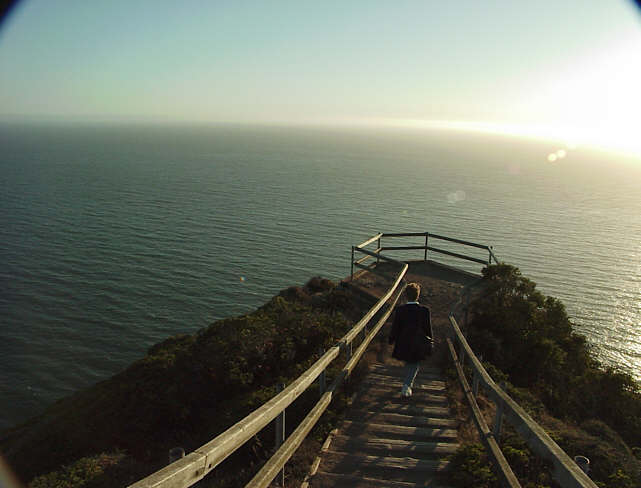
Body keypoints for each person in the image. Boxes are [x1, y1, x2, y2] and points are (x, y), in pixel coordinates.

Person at [388, 282, 433, 397]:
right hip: (418, 343)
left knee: (409, 362)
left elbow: (396, 327)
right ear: (418, 295)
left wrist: (391, 340)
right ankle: (407, 385)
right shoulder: (424, 311)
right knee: (414, 363)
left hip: (403, 342)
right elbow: (427, 328)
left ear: (405, 295)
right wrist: (430, 341)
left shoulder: (400, 310)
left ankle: (407, 385)